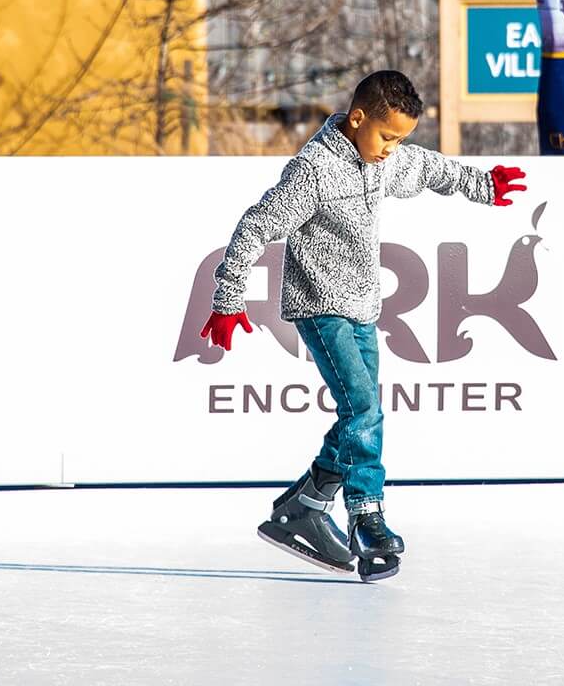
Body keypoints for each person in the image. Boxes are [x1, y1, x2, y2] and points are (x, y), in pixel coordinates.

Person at [198, 70, 528, 581]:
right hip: (319, 305)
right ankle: (366, 514)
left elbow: (425, 168)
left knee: (359, 415)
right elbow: (256, 225)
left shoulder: (382, 161)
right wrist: (227, 299)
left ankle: (305, 506)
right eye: (388, 136)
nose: (393, 149)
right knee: (365, 408)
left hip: (361, 309)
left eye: (400, 139)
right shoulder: (315, 173)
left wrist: (479, 184)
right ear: (357, 119)